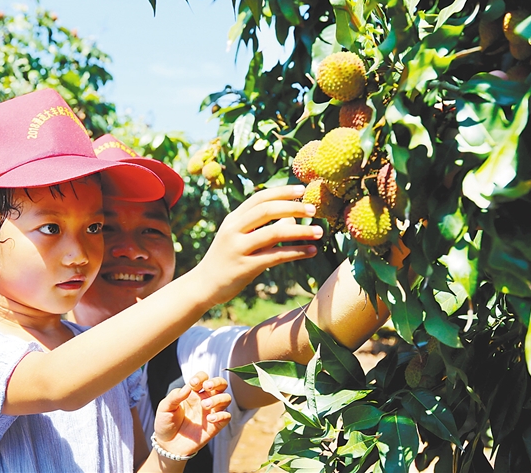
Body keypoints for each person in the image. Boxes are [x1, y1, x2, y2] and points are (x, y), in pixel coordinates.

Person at [0, 89, 322, 472]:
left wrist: (168, 453)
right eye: (50, 227)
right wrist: (204, 281)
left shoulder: (116, 370)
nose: (79, 253)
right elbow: (56, 381)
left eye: (94, 226)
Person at [74, 134, 408, 471]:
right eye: (104, 228)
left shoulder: (193, 361)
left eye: (151, 231)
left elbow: (309, 338)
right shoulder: (29, 370)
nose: (132, 249)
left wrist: (409, 217)